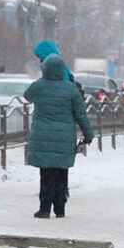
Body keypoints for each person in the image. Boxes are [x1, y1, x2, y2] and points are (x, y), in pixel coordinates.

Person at [23, 53, 94, 218]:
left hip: (43, 138)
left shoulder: (38, 86)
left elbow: (27, 96)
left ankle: (44, 209)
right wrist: (88, 135)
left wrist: (42, 80)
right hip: (64, 139)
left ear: (44, 69)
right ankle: (60, 209)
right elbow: (80, 114)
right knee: (62, 173)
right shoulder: (70, 88)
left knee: (46, 174)